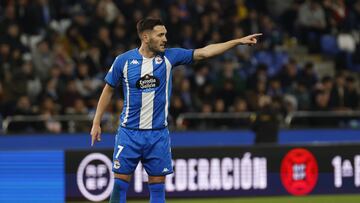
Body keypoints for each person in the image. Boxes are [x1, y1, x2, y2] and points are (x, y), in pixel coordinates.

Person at [90, 18, 261, 203]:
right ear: (146, 37)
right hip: (129, 133)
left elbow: (204, 53)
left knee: (157, 187)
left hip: (157, 135)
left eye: (166, 34)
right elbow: (108, 89)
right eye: (160, 35)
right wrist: (96, 122)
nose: (165, 39)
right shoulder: (123, 61)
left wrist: (236, 42)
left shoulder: (170, 57)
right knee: (120, 184)